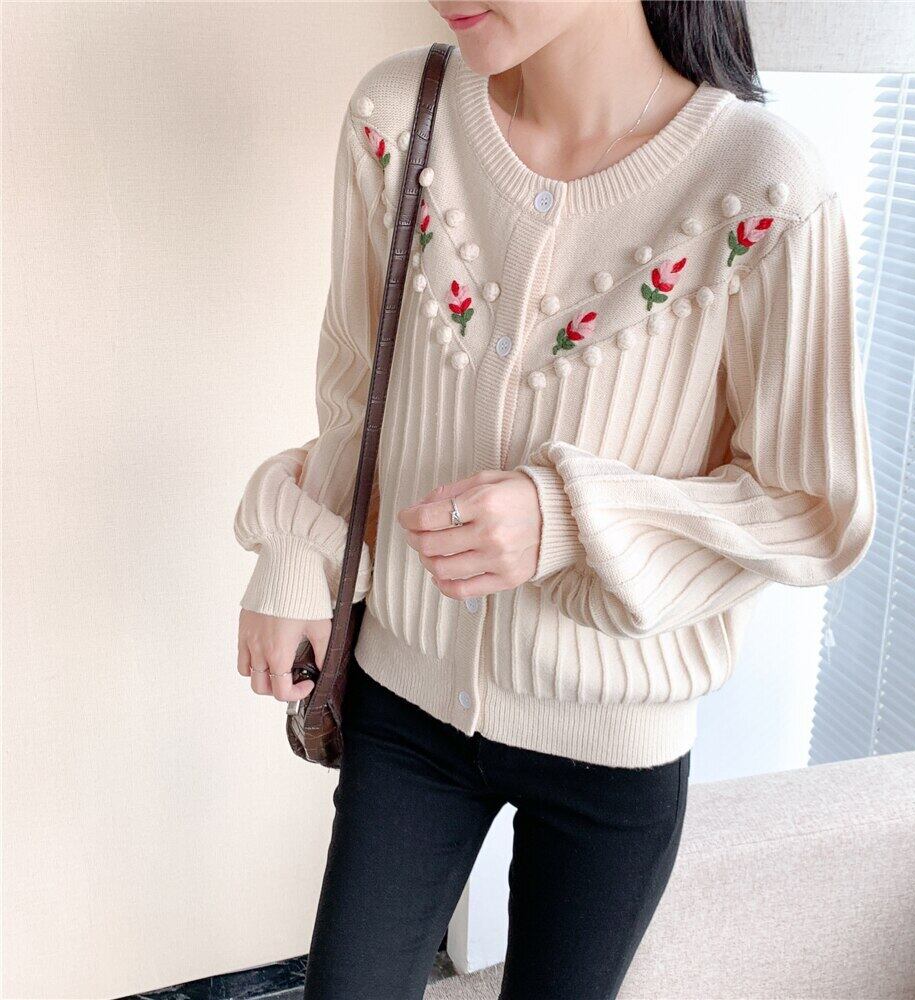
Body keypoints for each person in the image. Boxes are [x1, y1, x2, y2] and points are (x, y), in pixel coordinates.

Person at [233, 2, 877, 997]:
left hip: (615, 751)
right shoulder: (398, 118)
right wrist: (296, 550)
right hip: (404, 708)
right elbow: (358, 392)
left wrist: (573, 519)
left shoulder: (766, 187)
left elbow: (811, 508)